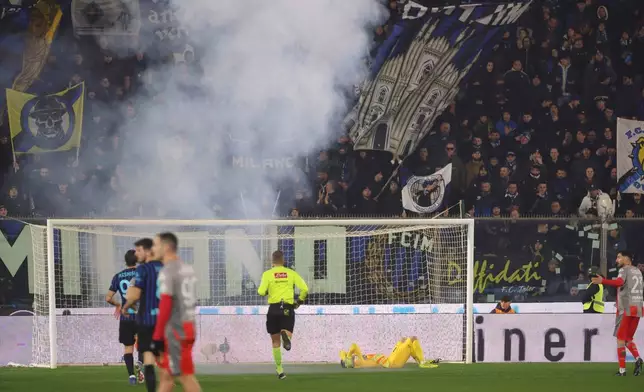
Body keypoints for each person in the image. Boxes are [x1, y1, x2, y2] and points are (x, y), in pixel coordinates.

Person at [150, 232, 201, 392]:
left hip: (175, 331)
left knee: (185, 376)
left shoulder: (167, 271)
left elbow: (166, 303)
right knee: (166, 375)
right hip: (188, 325)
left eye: (156, 245)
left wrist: (157, 335)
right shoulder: (187, 269)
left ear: (166, 247)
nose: (153, 249)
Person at [257, 250, 309, 379]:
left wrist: (268, 290)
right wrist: (300, 301)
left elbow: (261, 291)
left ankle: (280, 370)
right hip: (287, 308)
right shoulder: (291, 273)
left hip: (273, 309)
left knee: (275, 342)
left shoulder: (267, 274)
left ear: (272, 261)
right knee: (286, 336)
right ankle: (286, 336)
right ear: (283, 261)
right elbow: (305, 289)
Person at [591, 251, 644, 376]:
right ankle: (637, 358)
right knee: (628, 338)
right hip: (638, 308)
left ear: (627, 258)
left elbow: (619, 282)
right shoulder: (637, 271)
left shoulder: (624, 270)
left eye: (619, 257)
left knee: (620, 339)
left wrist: (603, 281)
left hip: (626, 308)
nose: (617, 260)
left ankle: (622, 370)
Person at [122, 238, 163, 392]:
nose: (136, 253)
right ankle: (167, 384)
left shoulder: (143, 269)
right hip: (165, 320)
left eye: (139, 250)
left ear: (147, 251)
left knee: (148, 358)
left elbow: (134, 295)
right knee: (164, 358)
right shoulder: (166, 267)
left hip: (148, 321)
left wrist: (126, 306)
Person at [105, 250, 144, 385]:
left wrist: (118, 305)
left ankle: (132, 376)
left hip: (126, 316)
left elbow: (108, 298)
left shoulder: (118, 276)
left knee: (128, 347)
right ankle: (140, 363)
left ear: (125, 261)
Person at [339, 337, 438, 369]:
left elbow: (341, 352)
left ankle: (421, 361)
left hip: (391, 358)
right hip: (391, 362)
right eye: (352, 358)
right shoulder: (359, 361)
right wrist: (348, 356)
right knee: (412, 339)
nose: (354, 356)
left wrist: (346, 356)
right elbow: (353, 346)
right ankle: (422, 362)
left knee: (402, 340)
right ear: (351, 362)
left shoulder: (358, 361)